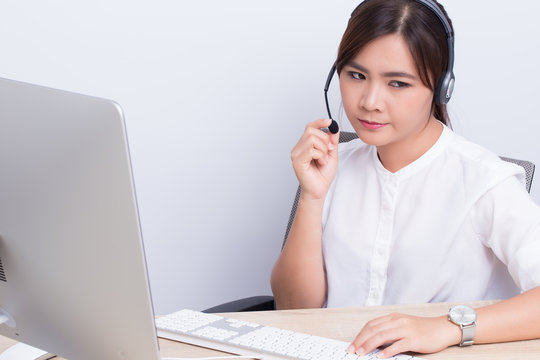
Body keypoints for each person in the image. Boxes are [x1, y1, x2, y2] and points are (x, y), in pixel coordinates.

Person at [270, 0, 540, 358]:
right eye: (356, 75)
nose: (369, 101)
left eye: (397, 83)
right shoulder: (335, 165)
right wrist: (312, 196)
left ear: (441, 87)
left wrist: (446, 328)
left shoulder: (483, 181)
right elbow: (292, 309)